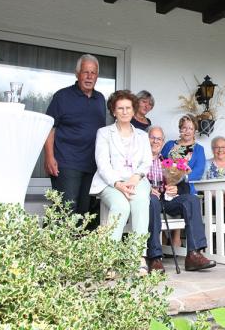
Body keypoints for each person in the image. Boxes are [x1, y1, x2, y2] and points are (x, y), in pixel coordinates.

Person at [89, 90, 151, 276]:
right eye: (120, 108)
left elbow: (146, 162)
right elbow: (102, 163)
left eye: (128, 108)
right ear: (114, 111)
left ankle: (138, 257)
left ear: (133, 111)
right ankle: (108, 259)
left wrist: (135, 178)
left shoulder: (142, 135)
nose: (124, 111)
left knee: (140, 203)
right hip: (110, 183)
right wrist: (118, 184)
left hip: (137, 180)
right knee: (121, 206)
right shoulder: (104, 133)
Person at [44, 54, 106, 223]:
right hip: (66, 162)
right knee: (65, 209)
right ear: (77, 74)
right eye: (85, 72)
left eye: (93, 73)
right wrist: (49, 157)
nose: (89, 76)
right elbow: (49, 128)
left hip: (91, 165)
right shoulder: (62, 97)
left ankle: (76, 248)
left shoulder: (100, 99)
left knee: (84, 211)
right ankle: (54, 247)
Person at [145, 126, 216, 272]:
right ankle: (154, 257)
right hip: (148, 200)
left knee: (192, 200)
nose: (155, 141)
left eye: (159, 138)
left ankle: (193, 254)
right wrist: (147, 189)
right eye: (152, 137)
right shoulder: (140, 159)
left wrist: (176, 188)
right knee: (152, 202)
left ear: (163, 142)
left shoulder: (168, 162)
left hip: (167, 200)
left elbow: (183, 184)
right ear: (146, 139)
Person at [160, 115, 206, 195]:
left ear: (195, 131)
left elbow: (199, 171)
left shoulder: (199, 149)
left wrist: (180, 178)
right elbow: (160, 161)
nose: (187, 131)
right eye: (184, 127)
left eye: (191, 128)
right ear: (180, 129)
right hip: (167, 187)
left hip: (187, 189)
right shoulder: (169, 144)